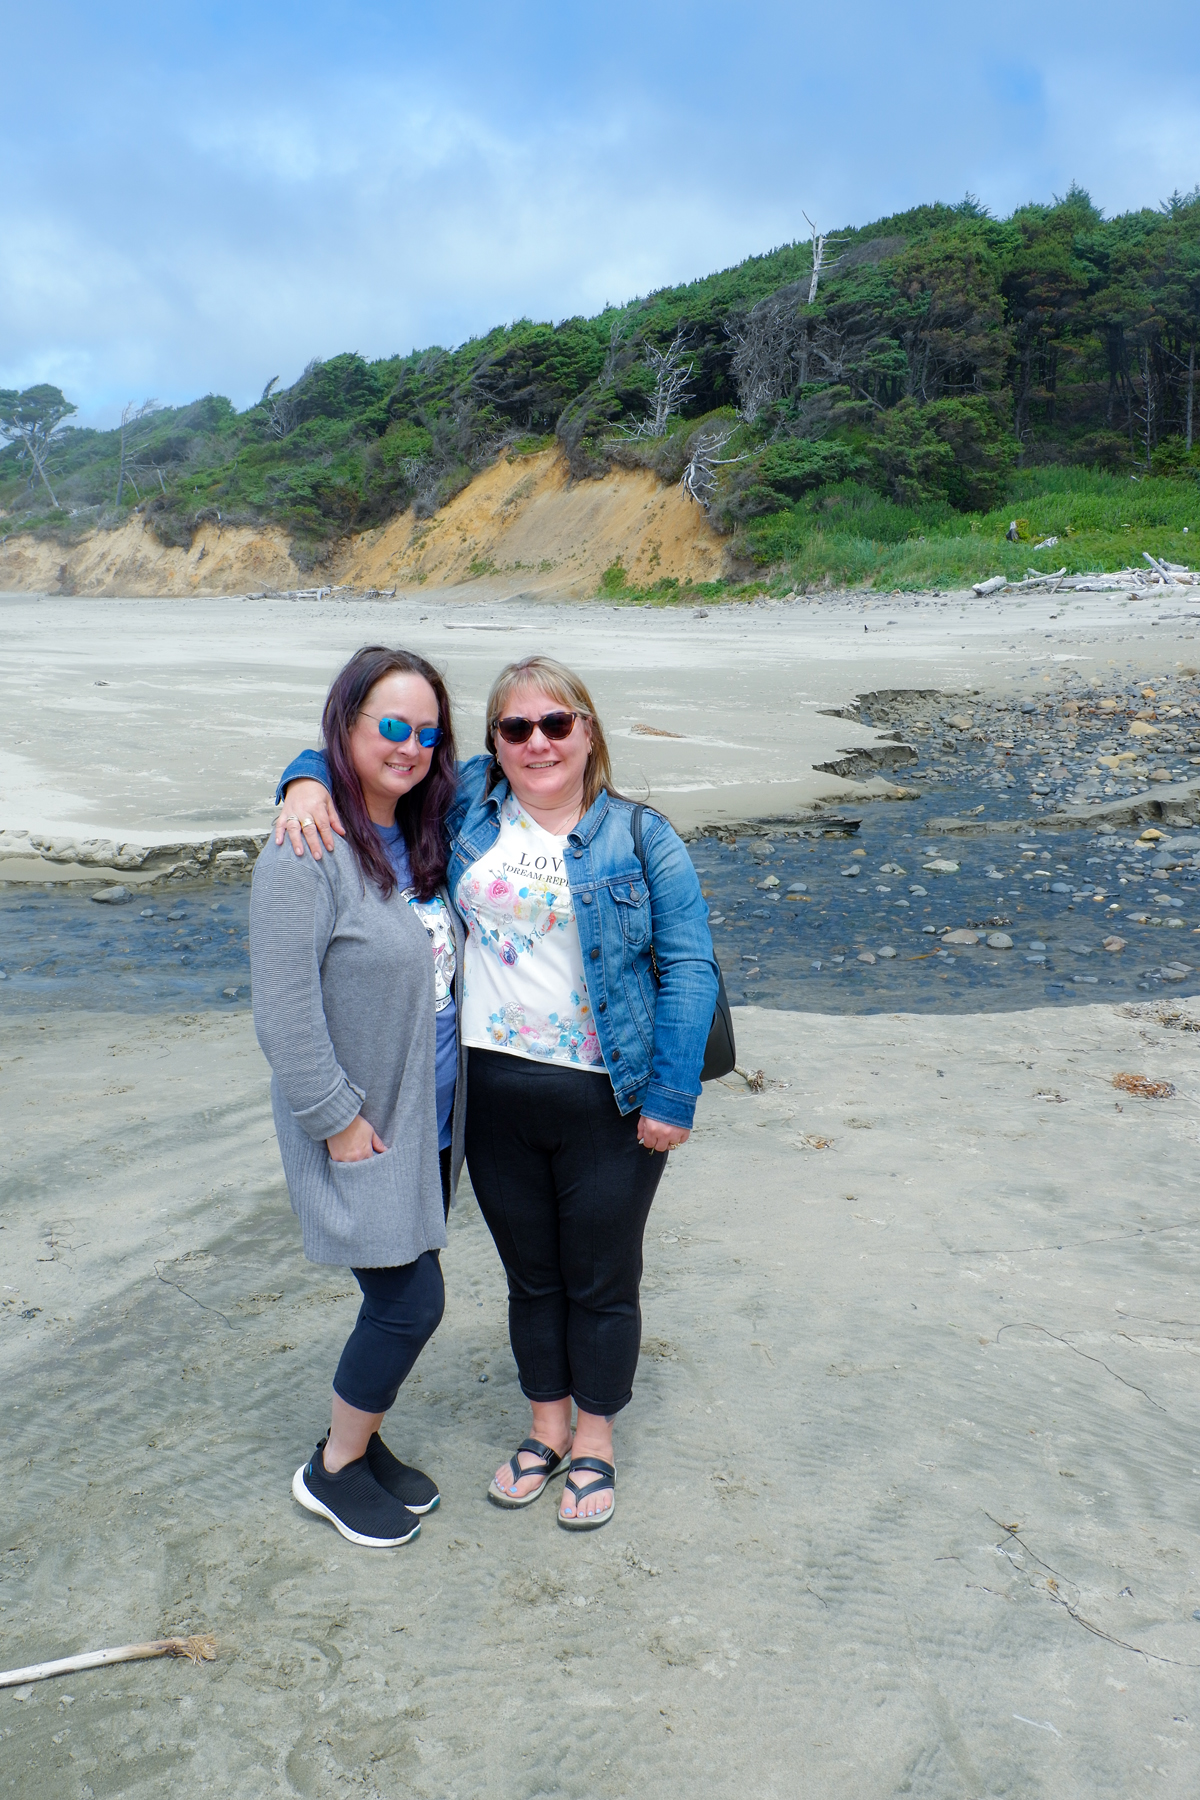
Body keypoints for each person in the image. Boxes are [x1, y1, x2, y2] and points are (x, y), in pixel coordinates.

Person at [275, 655, 717, 1530]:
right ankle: (545, 1427)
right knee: (531, 1275)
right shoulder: (470, 804)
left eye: (558, 724)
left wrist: (673, 1094)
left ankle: (594, 1440)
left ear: (589, 732)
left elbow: (692, 966)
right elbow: (376, 752)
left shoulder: (640, 835)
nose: (538, 743)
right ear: (494, 745)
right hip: (493, 1095)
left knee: (602, 1276)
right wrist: (299, 780)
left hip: (609, 1095)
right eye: (516, 728)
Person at [251, 645, 466, 1550]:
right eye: (391, 726)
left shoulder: (429, 830)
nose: (410, 746)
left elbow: (528, 760)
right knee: (409, 1303)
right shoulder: (306, 851)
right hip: (362, 1124)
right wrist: (337, 1122)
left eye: (427, 731)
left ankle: (362, 1444)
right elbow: (285, 1013)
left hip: (434, 1121)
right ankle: (332, 1469)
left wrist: (306, 770)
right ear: (345, 725)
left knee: (400, 1293)